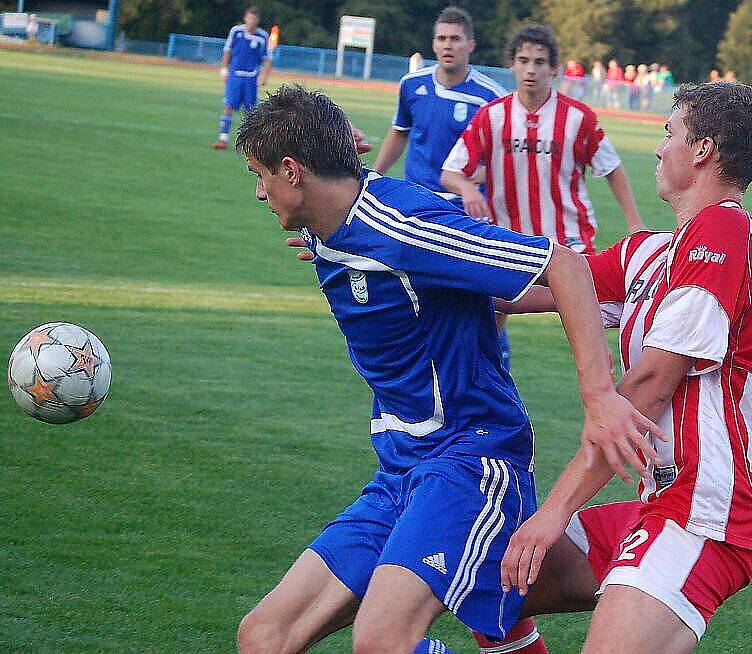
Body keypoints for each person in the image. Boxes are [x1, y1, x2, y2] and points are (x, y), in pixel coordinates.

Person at [233, 84, 661, 654]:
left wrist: (599, 396)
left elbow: (562, 265)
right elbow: (418, 262)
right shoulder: (328, 225)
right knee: (263, 636)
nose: (259, 192)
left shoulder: (399, 225)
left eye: (262, 175)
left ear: (292, 171)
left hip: (472, 457)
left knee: (382, 639)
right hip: (399, 473)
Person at [496, 82, 752, 653]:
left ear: (702, 150)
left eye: (668, 134)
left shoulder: (724, 229)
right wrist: (390, 254)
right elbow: (524, 285)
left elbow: (650, 387)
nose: (658, 149)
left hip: (708, 516)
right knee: (489, 579)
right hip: (662, 504)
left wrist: (553, 511)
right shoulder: (650, 252)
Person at [440, 25, 643, 369]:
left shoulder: (577, 118)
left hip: (569, 240)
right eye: (523, 61)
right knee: (488, 321)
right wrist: (469, 188)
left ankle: (611, 401)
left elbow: (612, 167)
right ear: (512, 65)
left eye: (539, 61)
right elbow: (450, 171)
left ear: (554, 69)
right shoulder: (493, 116)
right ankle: (484, 397)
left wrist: (634, 222)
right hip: (510, 238)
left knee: (591, 336)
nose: (531, 69)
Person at [373, 6, 505, 209]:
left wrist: (470, 182)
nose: (448, 45)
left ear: (470, 45)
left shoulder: (491, 97)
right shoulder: (411, 84)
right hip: (416, 198)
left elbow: (505, 159)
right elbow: (400, 131)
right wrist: (375, 176)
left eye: (455, 39)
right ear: (434, 44)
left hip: (464, 205)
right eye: (442, 39)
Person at [212, 5, 272, 150]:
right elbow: (227, 51)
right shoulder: (236, 31)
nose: (251, 21)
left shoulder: (262, 36)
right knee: (228, 105)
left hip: (251, 77)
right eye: (249, 18)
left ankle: (252, 142)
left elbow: (268, 59)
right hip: (235, 75)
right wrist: (224, 69)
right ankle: (223, 138)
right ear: (245, 17)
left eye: (254, 19)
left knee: (251, 110)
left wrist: (264, 76)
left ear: (257, 20)